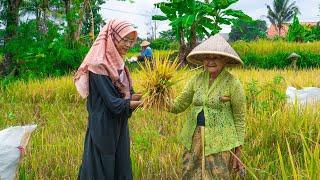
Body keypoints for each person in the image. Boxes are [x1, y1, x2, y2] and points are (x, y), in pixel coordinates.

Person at [168, 34, 246, 179]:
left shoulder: (233, 84)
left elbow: (240, 118)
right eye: (207, 57)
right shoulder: (195, 80)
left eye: (215, 57)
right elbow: (178, 105)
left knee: (218, 176)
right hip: (193, 139)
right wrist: (158, 97)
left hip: (221, 141)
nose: (210, 61)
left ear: (225, 59)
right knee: (190, 174)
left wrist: (238, 151)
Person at [74, 19, 143, 179]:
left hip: (118, 124)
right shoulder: (98, 65)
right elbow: (114, 103)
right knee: (102, 168)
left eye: (131, 41)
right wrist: (139, 103)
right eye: (124, 40)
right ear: (112, 37)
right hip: (103, 126)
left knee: (120, 163)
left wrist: (148, 94)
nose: (128, 45)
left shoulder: (118, 64)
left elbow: (125, 96)